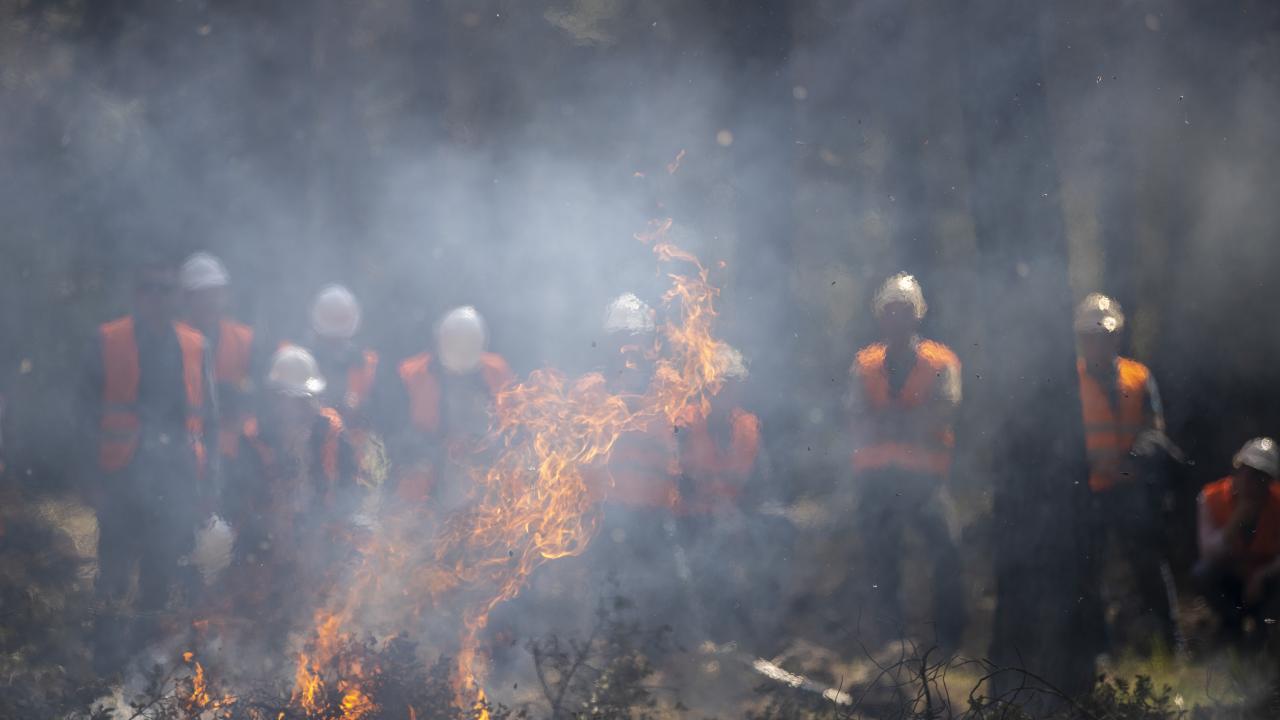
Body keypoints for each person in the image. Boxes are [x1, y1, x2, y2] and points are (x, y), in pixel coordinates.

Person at [84, 260, 215, 669]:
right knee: (115, 572)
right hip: (122, 473)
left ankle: (146, 660)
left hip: (175, 476)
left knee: (161, 572)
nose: (157, 297)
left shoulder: (195, 344)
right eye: (148, 289)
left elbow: (208, 418)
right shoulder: (108, 339)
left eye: (165, 289)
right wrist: (90, 479)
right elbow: (83, 413)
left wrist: (208, 486)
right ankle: (105, 659)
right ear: (135, 294)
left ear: (177, 296)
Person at [847, 273, 963, 649]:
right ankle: (889, 645)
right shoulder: (864, 364)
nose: (897, 318)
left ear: (918, 315)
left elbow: (944, 409)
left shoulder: (941, 362)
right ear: (881, 316)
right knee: (881, 560)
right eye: (890, 311)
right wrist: (910, 419)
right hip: (877, 480)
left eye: (904, 311)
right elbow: (855, 415)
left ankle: (948, 643)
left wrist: (892, 421)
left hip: (924, 481)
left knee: (947, 550)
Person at [222, 345, 358, 635]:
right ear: (274, 399)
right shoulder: (252, 439)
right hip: (264, 542)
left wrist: (321, 530)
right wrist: (274, 530)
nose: (298, 409)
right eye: (290, 400)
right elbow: (239, 500)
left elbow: (349, 492)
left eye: (305, 400)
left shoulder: (332, 432)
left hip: (322, 535)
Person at [1074, 292, 1175, 650]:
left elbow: (1154, 429)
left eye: (1105, 335)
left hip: (1131, 489)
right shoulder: (1071, 380)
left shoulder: (1138, 375)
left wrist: (1135, 458)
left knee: (1148, 564)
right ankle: (1098, 650)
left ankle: (1170, 642)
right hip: (1089, 489)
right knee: (1090, 571)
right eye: (1091, 336)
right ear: (1082, 339)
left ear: (1116, 336)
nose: (1099, 342)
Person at [674, 342, 762, 641]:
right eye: (719, 384)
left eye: (731, 384)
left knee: (731, 582)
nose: (724, 391)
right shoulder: (686, 419)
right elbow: (678, 473)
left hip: (730, 520)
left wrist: (735, 512)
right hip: (689, 518)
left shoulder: (748, 426)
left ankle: (738, 641)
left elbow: (752, 481)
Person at [388, 306, 514, 511]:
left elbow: (513, 425)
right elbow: (396, 432)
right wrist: (435, 449)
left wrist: (487, 446)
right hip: (427, 478)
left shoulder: (497, 372)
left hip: (484, 474)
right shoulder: (413, 374)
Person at [1194, 438, 1280, 643]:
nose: (1255, 483)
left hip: (1266, 580)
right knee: (1203, 573)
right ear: (1238, 470)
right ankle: (1232, 625)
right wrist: (1236, 522)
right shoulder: (1211, 497)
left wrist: (1262, 575)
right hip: (1231, 578)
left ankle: (1266, 628)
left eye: (1262, 477)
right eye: (1251, 474)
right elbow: (1208, 552)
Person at [180, 252, 259, 463]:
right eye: (202, 294)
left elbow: (261, 386)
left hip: (235, 452)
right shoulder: (174, 340)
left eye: (215, 293)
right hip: (187, 452)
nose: (210, 301)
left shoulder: (244, 338)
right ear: (187, 298)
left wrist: (240, 392)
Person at [306, 284, 382, 476]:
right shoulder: (303, 361)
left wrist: (360, 407)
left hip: (354, 462)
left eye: (339, 339)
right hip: (311, 455)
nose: (334, 344)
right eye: (329, 338)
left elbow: (381, 413)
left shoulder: (367, 364)